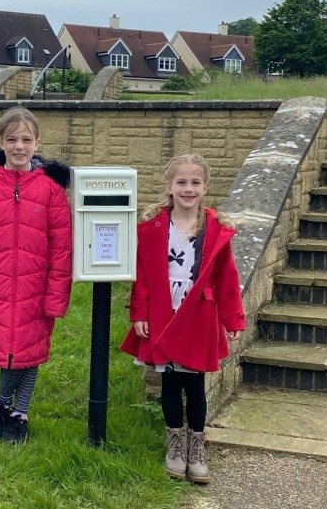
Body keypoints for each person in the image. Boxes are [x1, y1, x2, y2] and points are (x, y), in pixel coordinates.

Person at [120, 154, 246, 483]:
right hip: (163, 310)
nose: (187, 189)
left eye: (194, 183)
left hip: (199, 314)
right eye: (181, 182)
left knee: (195, 383)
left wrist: (232, 319)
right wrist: (139, 313)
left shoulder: (215, 230)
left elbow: (227, 278)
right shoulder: (152, 228)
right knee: (171, 383)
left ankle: (196, 446)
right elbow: (143, 275)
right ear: (169, 186)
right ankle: (175, 445)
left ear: (205, 187)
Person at [0, 106, 72, 444]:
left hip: (36, 290)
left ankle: (16, 412)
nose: (19, 147)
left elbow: (61, 249)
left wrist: (55, 297)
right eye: (12, 140)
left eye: (26, 139)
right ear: (0, 142)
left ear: (37, 142)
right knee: (9, 353)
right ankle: (2, 403)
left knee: (30, 353)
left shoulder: (51, 191)